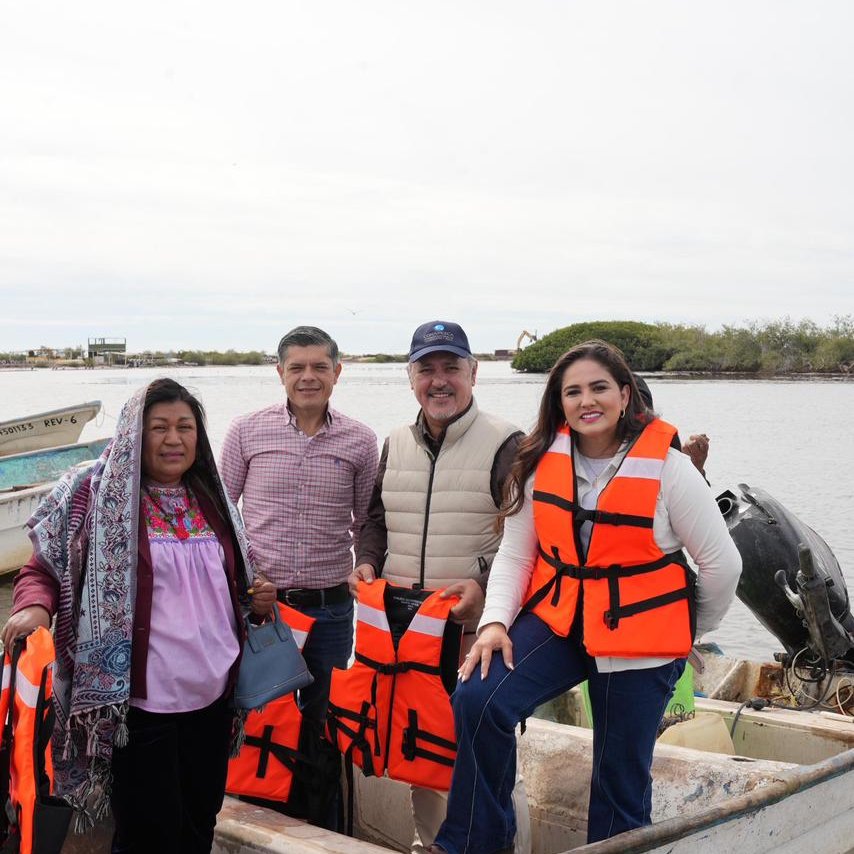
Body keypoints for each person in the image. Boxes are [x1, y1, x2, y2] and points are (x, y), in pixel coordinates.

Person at [429, 339, 742, 853]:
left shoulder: (670, 469)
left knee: (619, 777)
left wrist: (688, 631)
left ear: (625, 395)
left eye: (599, 387)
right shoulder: (539, 463)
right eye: (572, 392)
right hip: (560, 620)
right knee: (478, 699)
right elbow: (516, 554)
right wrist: (494, 624)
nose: (586, 401)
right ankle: (475, 843)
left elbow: (723, 565)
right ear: (559, 402)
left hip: (640, 635)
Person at [1, 378, 270, 854]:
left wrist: (257, 597)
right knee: (149, 834)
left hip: (213, 701)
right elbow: (42, 567)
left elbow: (233, 579)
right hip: (140, 706)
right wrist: (34, 607)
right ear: (133, 433)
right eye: (159, 427)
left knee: (198, 824)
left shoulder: (212, 497)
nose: (173, 439)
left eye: (185, 427)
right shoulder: (90, 491)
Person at [351, 320, 528, 854]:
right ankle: (434, 845)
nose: (439, 380)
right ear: (411, 379)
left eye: (452, 367)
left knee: (487, 754)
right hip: (409, 633)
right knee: (422, 750)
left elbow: (530, 541)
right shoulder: (394, 443)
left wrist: (482, 588)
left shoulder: (507, 443)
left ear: (474, 372)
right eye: (426, 369)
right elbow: (375, 519)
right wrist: (367, 561)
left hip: (477, 631)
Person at [219, 325, 378, 822]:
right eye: (297, 367)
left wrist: (367, 567)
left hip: (331, 610)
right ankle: (256, 815)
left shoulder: (360, 440)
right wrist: (245, 582)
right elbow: (221, 515)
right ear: (280, 372)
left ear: (337, 371)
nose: (308, 377)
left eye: (319, 367)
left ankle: (321, 826)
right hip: (263, 609)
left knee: (323, 722)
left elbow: (367, 521)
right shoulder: (246, 431)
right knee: (257, 715)